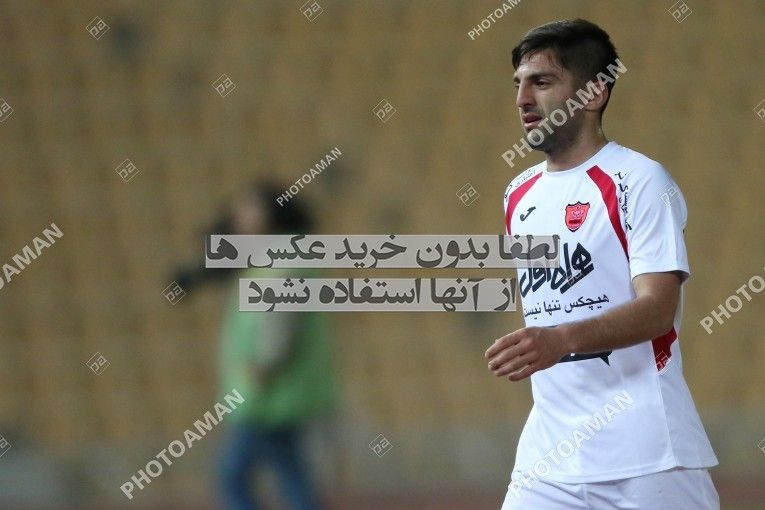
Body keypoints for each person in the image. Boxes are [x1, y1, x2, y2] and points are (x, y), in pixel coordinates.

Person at [486, 19, 719, 509]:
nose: (522, 99)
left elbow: (658, 310)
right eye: (518, 84)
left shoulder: (641, 180)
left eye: (542, 82)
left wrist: (560, 340)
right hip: (547, 464)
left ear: (594, 92)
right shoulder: (517, 194)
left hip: (648, 457)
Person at [217, 182, 335, 510]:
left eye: (249, 209)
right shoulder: (281, 260)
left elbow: (280, 324)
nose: (240, 217)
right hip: (280, 393)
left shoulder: (285, 264)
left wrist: (263, 366)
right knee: (289, 472)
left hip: (268, 394)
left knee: (233, 476)